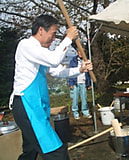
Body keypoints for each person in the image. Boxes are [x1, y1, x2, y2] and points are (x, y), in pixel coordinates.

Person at [9, 15, 93, 160]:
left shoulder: (41, 52)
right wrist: (68, 38)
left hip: (35, 107)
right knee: (56, 151)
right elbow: (54, 60)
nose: (54, 39)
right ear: (41, 30)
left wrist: (80, 69)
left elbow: (57, 71)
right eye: (53, 34)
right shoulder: (26, 45)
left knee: (30, 151)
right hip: (27, 106)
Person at [68, 46, 92, 120]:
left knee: (84, 98)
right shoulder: (73, 61)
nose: (81, 54)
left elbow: (89, 73)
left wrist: (89, 84)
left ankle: (85, 112)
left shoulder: (87, 61)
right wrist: (70, 83)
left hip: (83, 82)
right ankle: (75, 113)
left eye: (82, 52)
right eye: (79, 52)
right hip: (75, 82)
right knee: (75, 99)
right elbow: (70, 72)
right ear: (77, 52)